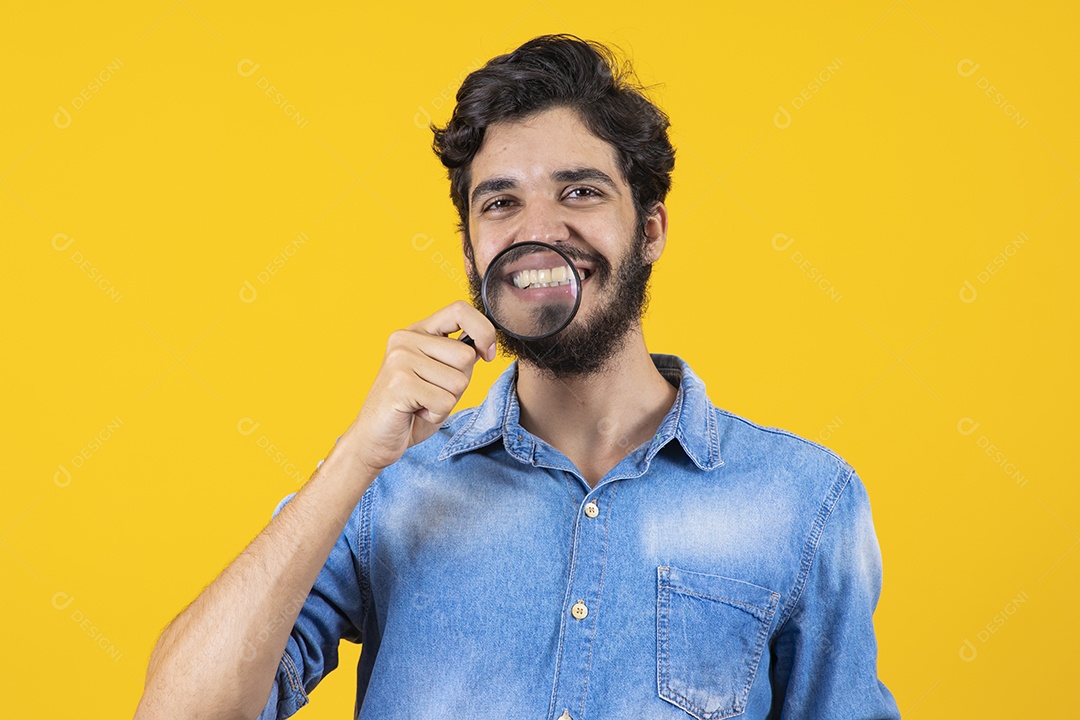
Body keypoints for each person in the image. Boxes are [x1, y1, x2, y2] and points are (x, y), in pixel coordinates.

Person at [134, 34, 900, 720]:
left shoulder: (805, 500)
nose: (540, 231)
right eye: (502, 202)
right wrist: (356, 461)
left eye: (581, 192)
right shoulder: (385, 491)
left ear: (652, 229)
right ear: (471, 253)